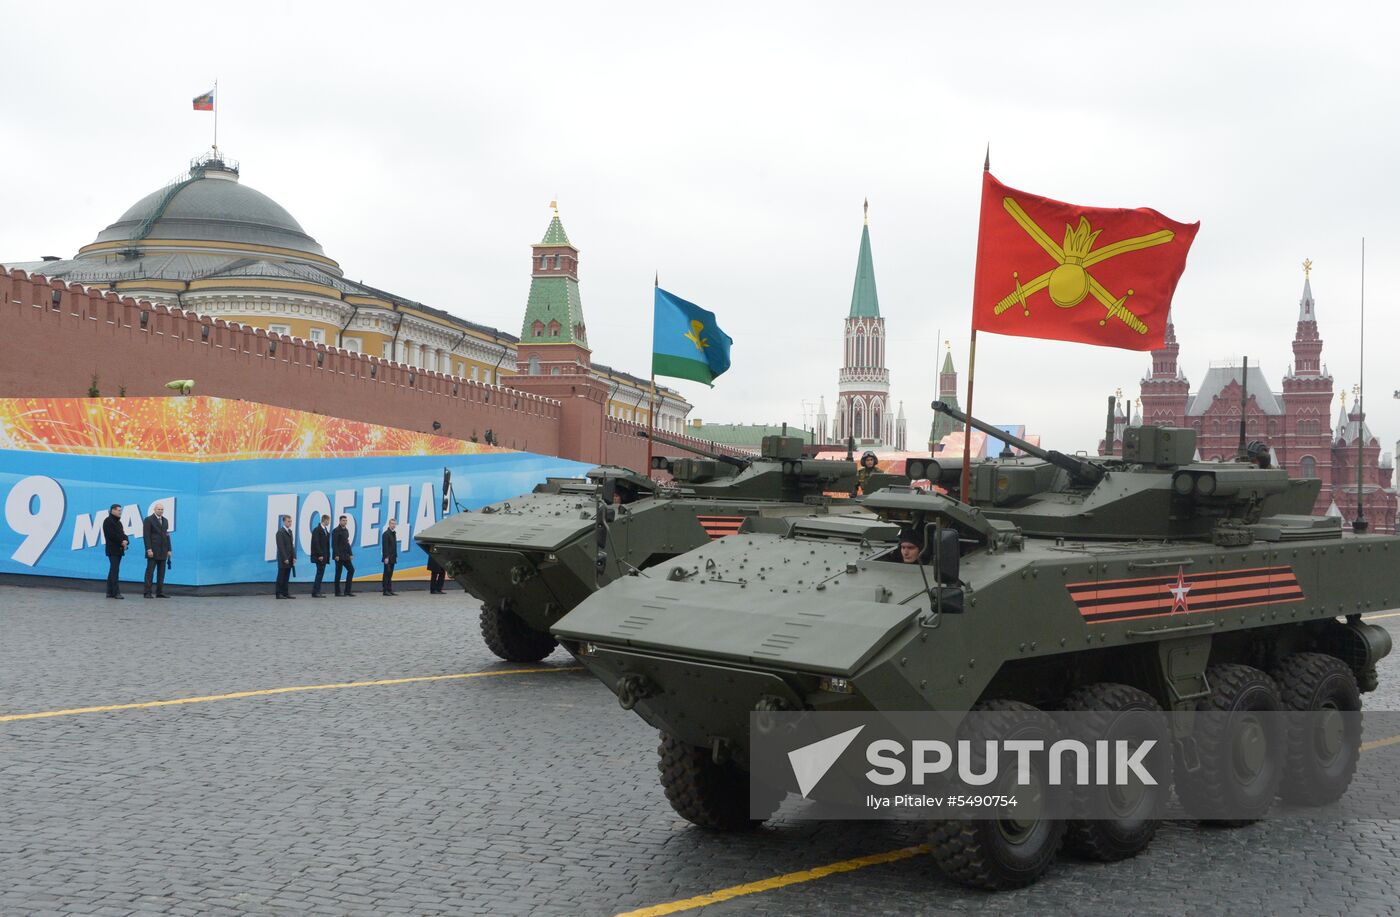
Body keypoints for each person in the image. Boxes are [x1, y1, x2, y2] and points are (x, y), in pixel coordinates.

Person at [142, 503, 172, 598]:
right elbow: (146, 536)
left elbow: (167, 536)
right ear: (154, 509)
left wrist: (169, 549)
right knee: (150, 572)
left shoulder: (165, 520)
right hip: (153, 551)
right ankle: (147, 592)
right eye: (158, 509)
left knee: (161, 572)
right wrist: (148, 549)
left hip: (163, 550)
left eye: (162, 509)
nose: (160, 511)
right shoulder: (148, 520)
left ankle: (159, 592)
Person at [102, 504, 128, 599]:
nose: (120, 512)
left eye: (120, 510)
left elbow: (123, 534)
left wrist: (126, 540)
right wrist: (122, 541)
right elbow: (111, 535)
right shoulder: (108, 521)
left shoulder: (118, 522)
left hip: (119, 550)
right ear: (112, 510)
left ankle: (109, 592)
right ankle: (116, 592)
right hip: (112, 549)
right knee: (115, 570)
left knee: (113, 570)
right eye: (118, 510)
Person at [333, 514, 356, 597]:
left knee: (351, 570)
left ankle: (347, 591)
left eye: (346, 520)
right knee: (338, 573)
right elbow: (334, 544)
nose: (345, 522)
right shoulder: (336, 531)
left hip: (346, 556)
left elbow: (347, 543)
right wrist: (336, 555)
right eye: (343, 520)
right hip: (339, 556)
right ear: (340, 521)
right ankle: (337, 592)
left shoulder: (346, 530)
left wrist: (350, 553)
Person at [309, 514, 331, 598]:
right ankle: (315, 592)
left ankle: (317, 590)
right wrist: (320, 554)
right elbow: (316, 543)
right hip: (320, 557)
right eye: (328, 520)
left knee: (321, 573)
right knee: (319, 573)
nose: (329, 522)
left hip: (324, 556)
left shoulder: (325, 530)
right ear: (325, 520)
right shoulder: (317, 530)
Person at [275, 514, 296, 599]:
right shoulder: (280, 532)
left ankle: (285, 593)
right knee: (281, 576)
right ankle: (278, 593)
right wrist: (285, 558)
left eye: (291, 521)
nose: (290, 523)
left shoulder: (290, 532)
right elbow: (281, 546)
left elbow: (292, 545)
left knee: (287, 576)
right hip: (283, 559)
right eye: (288, 521)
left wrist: (294, 557)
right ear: (284, 521)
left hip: (290, 558)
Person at [381, 518, 399, 596]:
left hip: (393, 557)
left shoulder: (394, 533)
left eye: (394, 523)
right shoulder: (386, 534)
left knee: (390, 574)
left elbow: (394, 546)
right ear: (389, 524)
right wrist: (386, 557)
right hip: (387, 558)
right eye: (392, 523)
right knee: (386, 574)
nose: (393, 525)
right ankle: (385, 591)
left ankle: (389, 589)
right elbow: (385, 547)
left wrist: (396, 556)